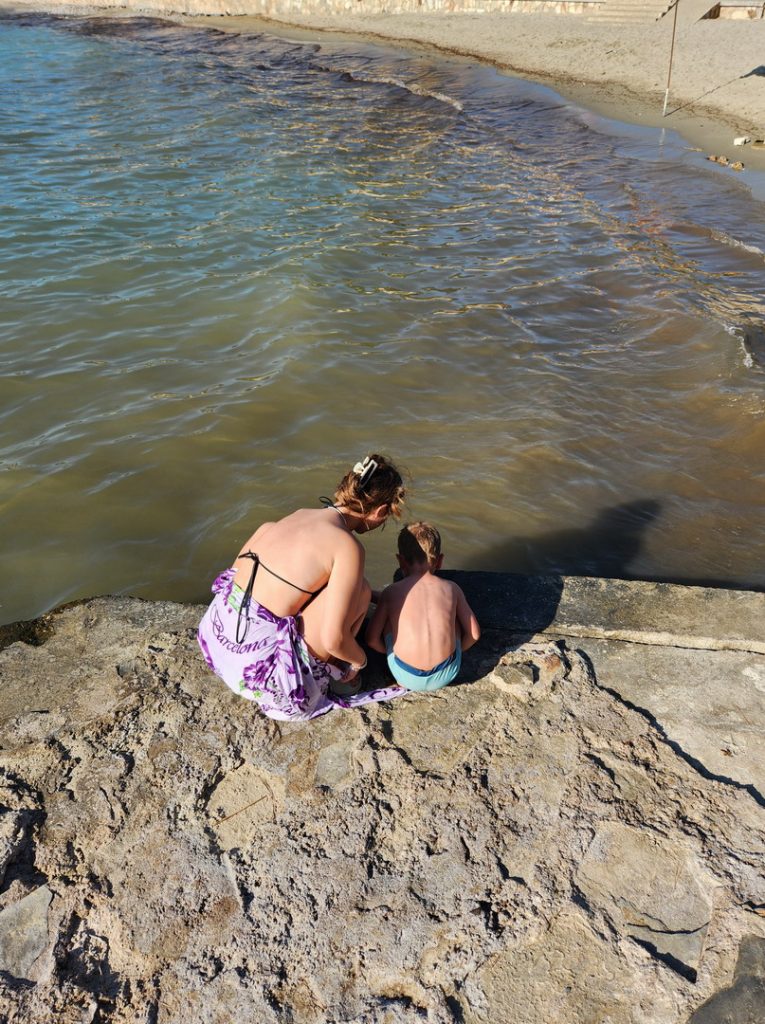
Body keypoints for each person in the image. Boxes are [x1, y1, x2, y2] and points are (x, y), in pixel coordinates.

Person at [197, 454, 408, 721]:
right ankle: (336, 675)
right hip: (260, 673)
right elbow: (333, 639)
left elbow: (234, 580)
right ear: (380, 511)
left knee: (336, 588)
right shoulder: (346, 546)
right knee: (361, 592)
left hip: (215, 640)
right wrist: (359, 662)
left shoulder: (299, 515)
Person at [366, 522, 481, 691]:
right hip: (446, 674)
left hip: (405, 675)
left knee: (390, 618)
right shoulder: (452, 588)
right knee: (454, 619)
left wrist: (389, 652)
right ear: (439, 561)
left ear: (400, 561)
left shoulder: (391, 593)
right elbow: (474, 634)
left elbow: (371, 640)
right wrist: (457, 651)